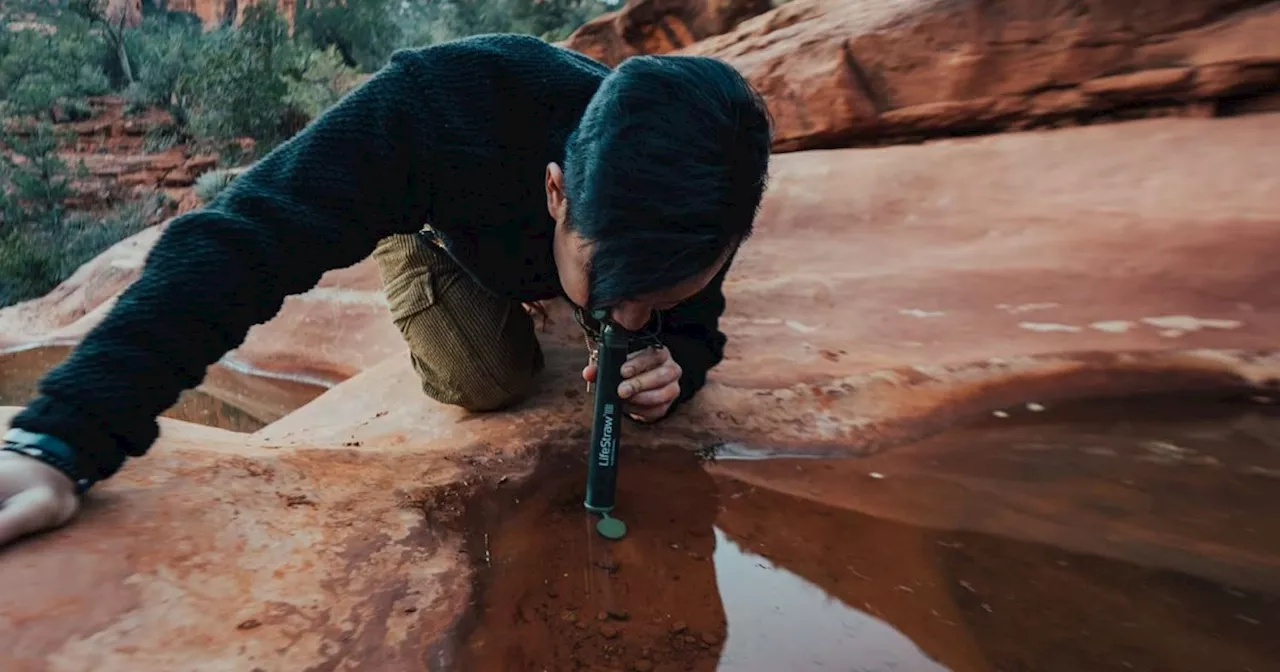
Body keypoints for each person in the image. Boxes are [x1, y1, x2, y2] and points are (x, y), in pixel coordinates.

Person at [0, 33, 773, 548]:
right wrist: (61, 441)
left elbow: (695, 321)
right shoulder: (434, 111)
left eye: (658, 292)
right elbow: (241, 242)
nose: (630, 318)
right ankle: (434, 256)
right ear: (555, 192)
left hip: (565, 223)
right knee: (486, 378)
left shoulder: (695, 189)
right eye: (616, 287)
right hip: (445, 222)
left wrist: (678, 357)